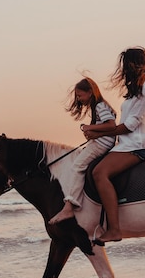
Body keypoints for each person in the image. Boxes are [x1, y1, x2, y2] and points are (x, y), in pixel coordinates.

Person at [85, 47, 145, 243]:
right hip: (125, 143)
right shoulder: (135, 90)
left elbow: (128, 126)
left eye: (126, 65)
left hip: (137, 145)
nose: (123, 70)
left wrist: (96, 130)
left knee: (99, 173)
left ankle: (115, 229)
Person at [49, 77, 117, 224]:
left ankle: (69, 206)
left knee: (77, 167)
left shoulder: (100, 106)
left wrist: (89, 127)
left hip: (101, 145)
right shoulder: (98, 106)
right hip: (100, 142)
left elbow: (111, 125)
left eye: (80, 96)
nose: (79, 99)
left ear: (90, 92)